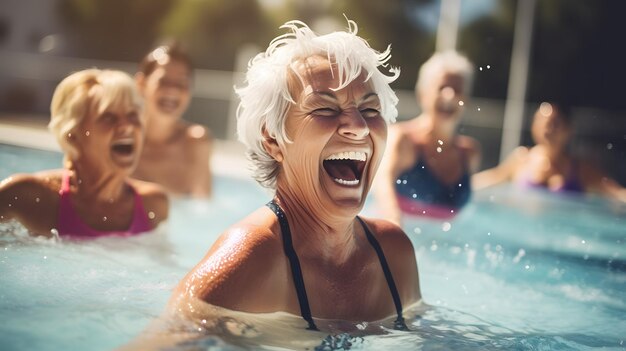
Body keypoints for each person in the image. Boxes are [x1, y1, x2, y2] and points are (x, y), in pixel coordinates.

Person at [168, 19, 421, 331]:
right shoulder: (251, 260)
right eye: (325, 109)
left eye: (370, 110)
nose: (359, 127)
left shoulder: (394, 254)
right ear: (273, 140)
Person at [0, 69, 169, 238]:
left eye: (133, 115)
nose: (127, 126)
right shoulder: (28, 197)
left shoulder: (153, 205)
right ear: (73, 134)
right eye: (109, 117)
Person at [374, 51, 480, 223]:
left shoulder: (469, 152)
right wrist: (395, 228)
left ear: (465, 101)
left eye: (457, 90)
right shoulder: (403, 139)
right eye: (442, 88)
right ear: (423, 94)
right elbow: (382, 185)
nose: (450, 96)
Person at [472, 102, 626, 201]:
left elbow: (615, 191)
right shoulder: (521, 159)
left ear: (568, 129)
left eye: (555, 123)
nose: (547, 129)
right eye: (542, 122)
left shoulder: (580, 169)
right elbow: (492, 178)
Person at [133, 42, 212, 197]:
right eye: (163, 81)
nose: (173, 90)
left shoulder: (196, 142)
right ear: (141, 84)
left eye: (182, 83)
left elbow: (205, 210)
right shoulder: (120, 138)